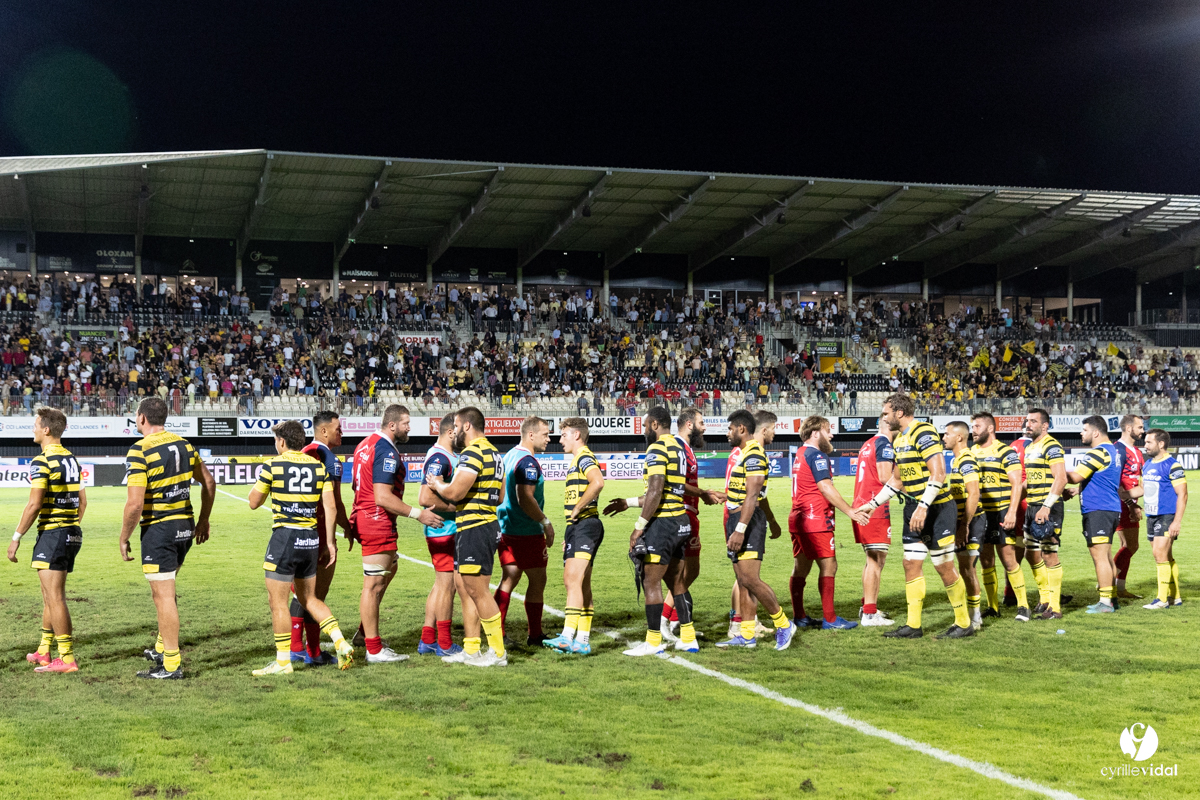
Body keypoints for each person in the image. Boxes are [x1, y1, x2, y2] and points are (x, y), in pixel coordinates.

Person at [853, 393, 973, 639]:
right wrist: (872, 504)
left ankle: (963, 623)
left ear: (899, 412)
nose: (884, 417)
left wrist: (923, 506)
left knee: (944, 567)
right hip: (915, 509)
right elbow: (896, 481)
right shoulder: (899, 441)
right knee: (910, 564)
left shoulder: (924, 432)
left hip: (937, 509)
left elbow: (938, 474)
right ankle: (913, 625)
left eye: (886, 413)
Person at [119, 397, 216, 679]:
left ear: (141, 419)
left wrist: (124, 537)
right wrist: (204, 519)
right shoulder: (185, 444)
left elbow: (135, 504)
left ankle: (171, 664)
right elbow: (208, 482)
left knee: (163, 596)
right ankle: (163, 647)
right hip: (184, 526)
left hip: (159, 529)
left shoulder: (139, 450)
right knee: (165, 593)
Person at [247, 421, 354, 675]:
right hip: (311, 540)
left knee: (278, 602)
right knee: (309, 598)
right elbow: (330, 507)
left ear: (282, 442)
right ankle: (340, 640)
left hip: (284, 538)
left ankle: (283, 662)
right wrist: (329, 542)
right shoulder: (319, 468)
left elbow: (253, 502)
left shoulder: (272, 465)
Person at [603, 406, 699, 656]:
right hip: (681, 520)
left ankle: (653, 642)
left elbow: (655, 492)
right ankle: (688, 638)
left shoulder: (657, 448)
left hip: (663, 524)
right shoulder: (678, 448)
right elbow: (667, 489)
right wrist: (628, 502)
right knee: (676, 581)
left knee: (651, 581)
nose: (645, 430)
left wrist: (638, 527)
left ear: (655, 424)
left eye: (646, 425)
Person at [349, 404, 441, 663]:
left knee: (390, 569)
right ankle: (374, 649)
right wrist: (418, 514)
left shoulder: (364, 444)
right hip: (376, 520)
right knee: (373, 585)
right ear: (392, 425)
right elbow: (382, 496)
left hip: (366, 518)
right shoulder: (386, 450)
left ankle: (363, 634)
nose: (409, 427)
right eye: (406, 423)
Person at [427, 407, 508, 667]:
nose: (455, 432)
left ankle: (497, 653)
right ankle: (472, 649)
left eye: (457, 425)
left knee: (477, 590)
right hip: (480, 524)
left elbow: (455, 492)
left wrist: (437, 484)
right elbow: (501, 496)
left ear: (467, 426)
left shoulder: (474, 451)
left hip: (476, 527)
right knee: (466, 587)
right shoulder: (494, 452)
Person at [7, 408, 85, 673]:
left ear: (46, 430)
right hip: (69, 532)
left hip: (54, 534)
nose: (33, 429)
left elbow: (34, 504)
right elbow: (83, 501)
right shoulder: (72, 460)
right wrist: (71, 526)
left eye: (35, 424)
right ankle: (43, 651)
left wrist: (16, 537)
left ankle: (66, 659)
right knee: (49, 598)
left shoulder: (42, 461)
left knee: (55, 597)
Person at [288, 410, 351, 665]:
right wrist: (343, 530)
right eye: (338, 428)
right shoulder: (328, 458)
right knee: (315, 596)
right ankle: (313, 652)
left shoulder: (300, 454)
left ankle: (295, 647)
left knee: (299, 593)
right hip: (319, 534)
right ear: (323, 431)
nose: (341, 433)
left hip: (294, 531)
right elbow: (334, 502)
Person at [787, 415, 857, 631]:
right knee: (829, 566)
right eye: (828, 431)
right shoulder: (816, 455)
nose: (832, 435)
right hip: (815, 519)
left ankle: (800, 616)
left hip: (798, 518)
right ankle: (830, 618)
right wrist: (850, 511)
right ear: (816, 433)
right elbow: (825, 487)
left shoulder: (800, 453)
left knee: (801, 567)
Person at [545, 417, 606, 655]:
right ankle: (582, 640)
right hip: (578, 527)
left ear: (576, 435)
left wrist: (578, 508)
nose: (560, 440)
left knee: (571, 579)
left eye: (564, 435)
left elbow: (598, 482)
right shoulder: (577, 460)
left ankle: (567, 636)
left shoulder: (584, 457)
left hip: (586, 524)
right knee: (581, 583)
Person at [660, 408, 720, 642]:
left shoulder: (687, 450)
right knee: (681, 572)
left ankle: (676, 620)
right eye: (702, 423)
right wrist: (704, 492)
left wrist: (705, 495)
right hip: (680, 515)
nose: (705, 427)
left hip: (690, 514)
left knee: (690, 571)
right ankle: (665, 621)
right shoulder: (677, 448)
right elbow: (676, 482)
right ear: (688, 424)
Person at [494, 417, 554, 645]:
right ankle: (535, 634)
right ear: (531, 435)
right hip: (526, 531)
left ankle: (497, 633)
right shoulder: (527, 462)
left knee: (508, 580)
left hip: (506, 528)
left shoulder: (508, 456)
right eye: (545, 434)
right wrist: (545, 522)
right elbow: (524, 498)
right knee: (538, 580)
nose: (549, 439)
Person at [417, 412, 471, 657]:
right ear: (451, 432)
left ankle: (428, 639)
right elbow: (425, 498)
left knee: (440, 586)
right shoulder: (440, 457)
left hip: (443, 530)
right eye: (459, 430)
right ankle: (445, 644)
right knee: (447, 587)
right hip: (444, 530)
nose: (462, 434)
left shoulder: (445, 456)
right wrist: (459, 508)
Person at [969, 412, 1025, 619]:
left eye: (976, 426)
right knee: (986, 562)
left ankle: (1023, 606)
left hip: (1001, 512)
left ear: (990, 428)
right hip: (980, 514)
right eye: (972, 426)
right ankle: (993, 607)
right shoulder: (971, 452)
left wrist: (1012, 512)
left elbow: (1016, 483)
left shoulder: (1005, 451)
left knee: (1009, 560)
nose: (972, 430)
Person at [1065, 415, 1121, 617]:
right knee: (1105, 555)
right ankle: (1112, 598)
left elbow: (1074, 476)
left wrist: (1052, 467)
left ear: (1096, 432)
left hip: (1099, 509)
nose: (1081, 433)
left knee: (1099, 556)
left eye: (1085, 429)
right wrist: (1080, 491)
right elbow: (1102, 479)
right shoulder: (1112, 450)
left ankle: (1105, 602)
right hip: (1109, 508)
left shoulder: (1098, 452)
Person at [1019, 408, 1066, 621]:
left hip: (1047, 508)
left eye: (1033, 421)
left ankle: (1055, 608)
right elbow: (1031, 480)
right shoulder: (1030, 447)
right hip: (1032, 506)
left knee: (1049, 554)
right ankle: (1045, 598)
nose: (1028, 424)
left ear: (1044, 426)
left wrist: (1046, 506)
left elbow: (1060, 478)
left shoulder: (1051, 445)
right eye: (1027, 421)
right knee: (1031, 552)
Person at [1132, 428, 1186, 609]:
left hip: (1167, 515)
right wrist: (1121, 493)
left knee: (1159, 554)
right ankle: (1175, 596)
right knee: (1166, 556)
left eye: (1149, 442)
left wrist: (1177, 521)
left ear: (1161, 444)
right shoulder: (1147, 465)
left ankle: (1162, 600)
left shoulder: (1172, 465)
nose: (1145, 445)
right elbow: (1142, 489)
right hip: (1151, 516)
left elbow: (1182, 494)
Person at [850, 415, 896, 626]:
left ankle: (869, 607)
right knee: (875, 561)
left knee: (874, 560)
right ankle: (869, 613)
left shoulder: (868, 443)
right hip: (873, 507)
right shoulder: (883, 443)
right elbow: (886, 477)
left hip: (863, 503)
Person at [943, 421, 982, 629]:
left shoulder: (966, 459)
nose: (943, 437)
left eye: (947, 434)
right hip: (962, 520)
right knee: (965, 567)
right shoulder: (957, 460)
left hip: (971, 520)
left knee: (968, 568)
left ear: (959, 437)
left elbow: (974, 492)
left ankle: (975, 617)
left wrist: (964, 525)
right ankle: (972, 613)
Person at [1114, 415, 1146, 599]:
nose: (1142, 430)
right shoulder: (1118, 450)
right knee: (1131, 546)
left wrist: (1135, 503)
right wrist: (1129, 505)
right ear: (1128, 428)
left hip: (1129, 503)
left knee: (1127, 546)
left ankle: (1120, 589)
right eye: (1140, 427)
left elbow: (1134, 481)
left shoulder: (1136, 452)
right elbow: (1116, 482)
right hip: (1120, 504)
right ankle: (1106, 581)